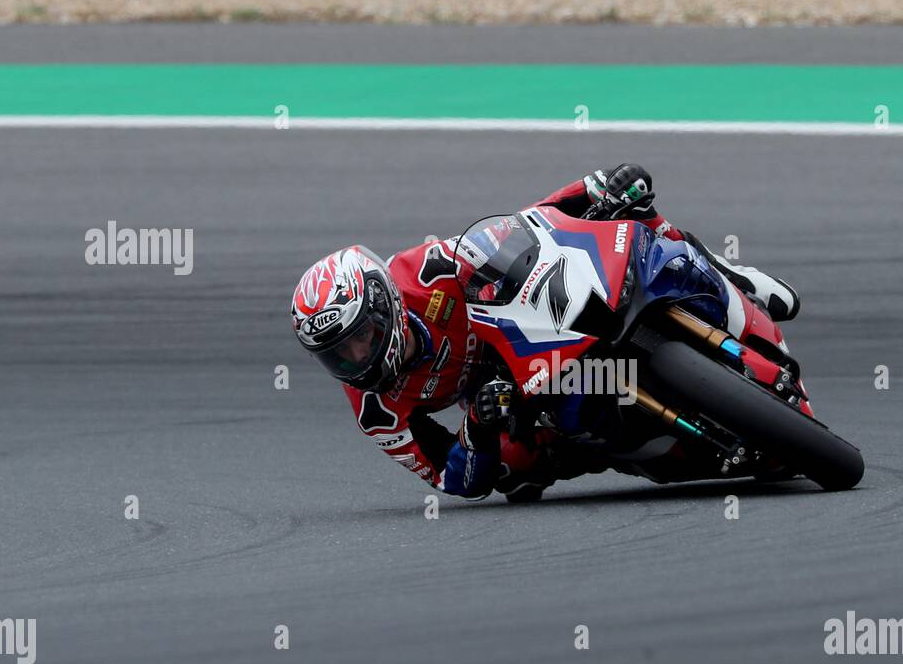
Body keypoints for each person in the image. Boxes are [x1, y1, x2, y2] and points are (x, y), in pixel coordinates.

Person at [289, 163, 800, 500]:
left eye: (360, 338)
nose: (356, 359)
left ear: (384, 304)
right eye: (338, 356)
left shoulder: (423, 271)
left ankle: (732, 276)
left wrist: (591, 189)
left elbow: (523, 228)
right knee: (516, 474)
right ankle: (648, 442)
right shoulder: (375, 409)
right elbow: (454, 480)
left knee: (634, 209)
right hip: (506, 397)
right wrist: (481, 428)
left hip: (529, 330)